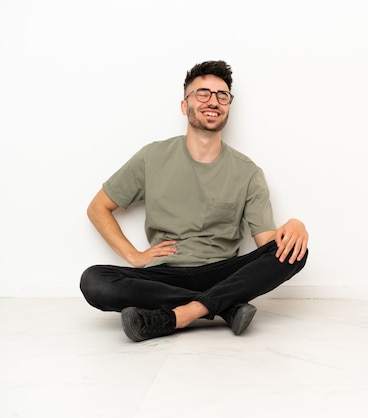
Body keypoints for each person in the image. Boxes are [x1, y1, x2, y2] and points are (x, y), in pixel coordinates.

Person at [80, 60, 309, 342]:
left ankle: (180, 315)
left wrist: (296, 226)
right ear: (184, 105)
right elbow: (97, 207)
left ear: (228, 106)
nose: (213, 101)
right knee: (94, 280)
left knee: (296, 253)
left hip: (222, 273)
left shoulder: (248, 172)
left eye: (221, 95)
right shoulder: (152, 157)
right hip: (164, 274)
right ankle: (225, 307)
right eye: (202, 93)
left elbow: (267, 244)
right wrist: (133, 256)